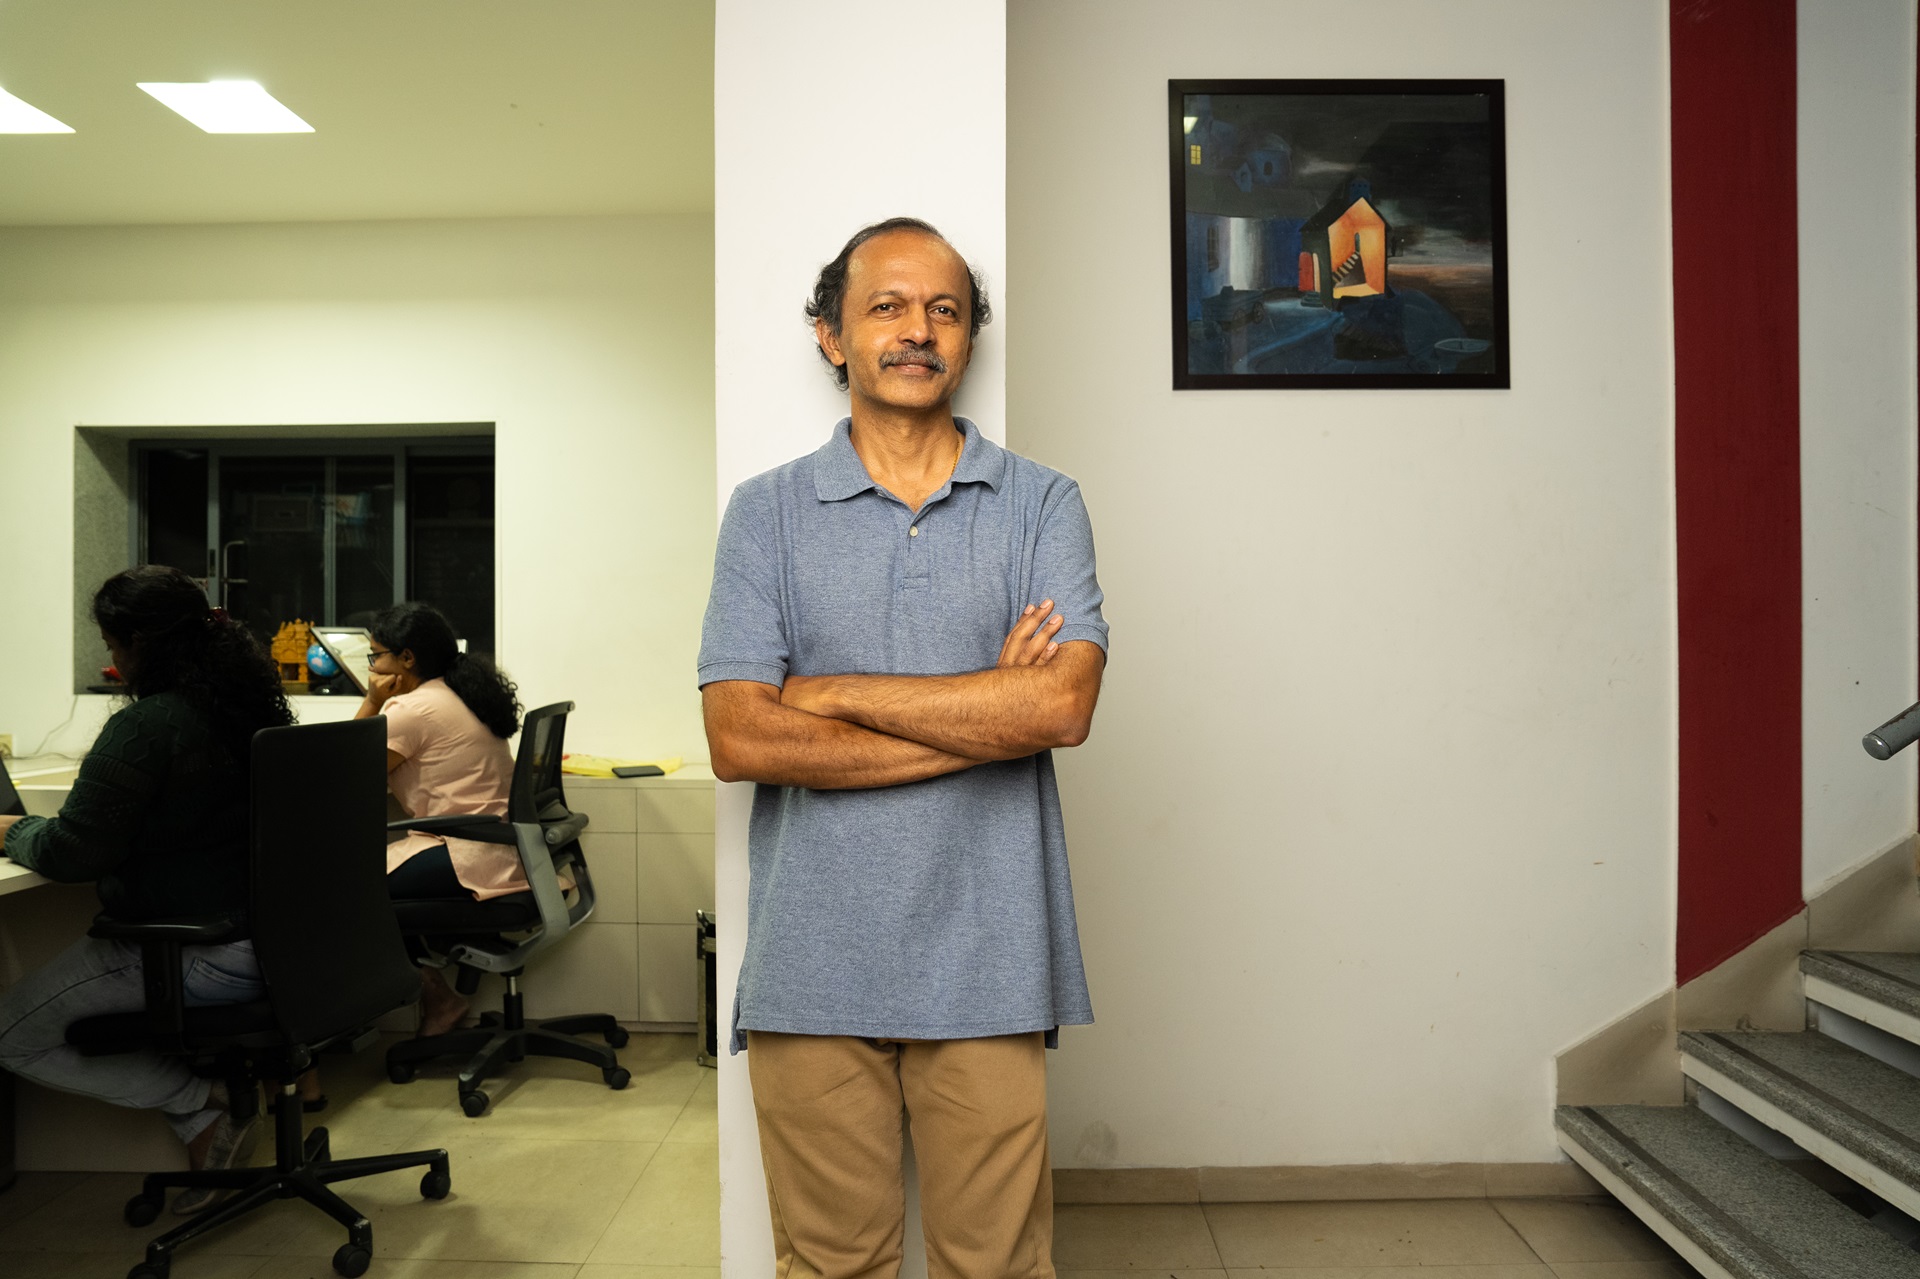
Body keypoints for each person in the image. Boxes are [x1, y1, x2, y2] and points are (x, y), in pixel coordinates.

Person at [699, 216, 1108, 1277]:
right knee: (833, 1269)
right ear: (833, 336)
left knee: (999, 1268)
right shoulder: (765, 515)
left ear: (970, 338)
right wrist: (986, 714)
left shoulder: (1042, 504)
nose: (917, 330)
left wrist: (830, 695)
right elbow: (741, 734)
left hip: (992, 958)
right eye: (886, 306)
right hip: (810, 968)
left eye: (944, 310)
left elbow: (1060, 710)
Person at [0, 566, 294, 1213]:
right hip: (279, 946)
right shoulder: (249, 709)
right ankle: (206, 1118)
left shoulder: (148, 726)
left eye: (111, 646)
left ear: (136, 642)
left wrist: (13, 829)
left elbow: (73, 851)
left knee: (12, 1036)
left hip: (188, 949)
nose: (113, 662)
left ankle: (201, 1104)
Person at [355, 601, 522, 1038]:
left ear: (406, 658)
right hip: (499, 847)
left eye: (376, 656)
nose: (373, 666)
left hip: (468, 852)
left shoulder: (411, 710)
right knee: (370, 879)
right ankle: (439, 991)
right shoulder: (459, 692)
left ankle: (437, 996)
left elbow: (345, 775)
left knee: (347, 890)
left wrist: (373, 698)